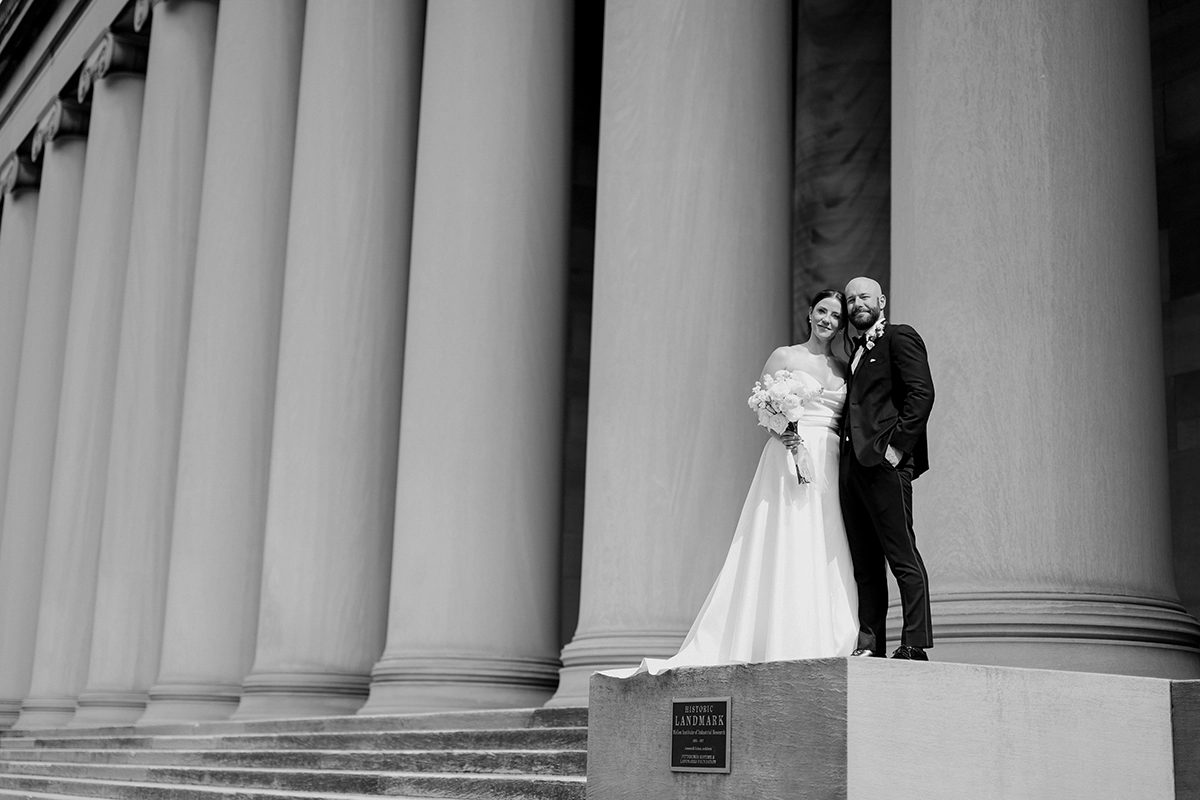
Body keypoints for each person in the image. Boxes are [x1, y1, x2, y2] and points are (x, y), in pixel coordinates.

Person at [603, 289, 859, 677]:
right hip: (789, 457)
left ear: (842, 324)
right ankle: (779, 636)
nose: (827, 320)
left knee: (827, 541)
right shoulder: (785, 355)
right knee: (788, 537)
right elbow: (764, 406)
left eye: (836, 316)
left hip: (830, 461)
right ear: (809, 313)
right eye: (822, 311)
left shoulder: (844, 367)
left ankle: (826, 633)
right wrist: (787, 435)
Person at [840, 277, 935, 661]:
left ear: (881, 300)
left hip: (884, 463)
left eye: (863, 296)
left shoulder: (899, 337)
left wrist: (896, 449)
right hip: (851, 470)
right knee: (865, 563)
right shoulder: (855, 351)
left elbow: (921, 393)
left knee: (901, 554)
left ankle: (914, 642)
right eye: (850, 300)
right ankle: (870, 644)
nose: (856, 303)